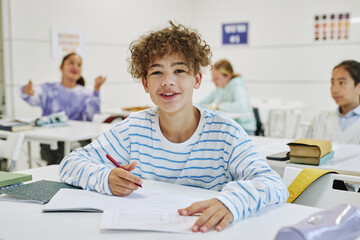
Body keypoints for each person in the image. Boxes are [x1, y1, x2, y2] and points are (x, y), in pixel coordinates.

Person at [59, 21, 288, 233]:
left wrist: (230, 202)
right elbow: (71, 163)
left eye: (179, 71)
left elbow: (273, 184)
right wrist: (105, 177)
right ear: (145, 83)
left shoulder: (225, 133)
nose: (168, 81)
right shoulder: (133, 128)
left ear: (197, 80)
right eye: (157, 72)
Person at [20, 52, 106, 164]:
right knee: (65, 155)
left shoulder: (87, 94)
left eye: (79, 64)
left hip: (77, 142)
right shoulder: (48, 89)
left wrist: (96, 90)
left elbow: (90, 116)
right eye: (71, 63)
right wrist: (26, 91)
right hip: (51, 144)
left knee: (73, 152)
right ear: (61, 67)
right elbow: (32, 97)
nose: (75, 66)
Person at [306, 60, 360, 144]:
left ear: (358, 87)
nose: (334, 90)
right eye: (332, 83)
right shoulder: (321, 118)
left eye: (342, 83)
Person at [196, 59, 256, 134]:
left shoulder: (237, 86)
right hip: (230, 127)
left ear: (227, 76)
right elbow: (201, 101)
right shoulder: (219, 89)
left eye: (216, 78)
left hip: (244, 128)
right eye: (213, 78)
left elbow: (242, 106)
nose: (213, 81)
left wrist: (219, 106)